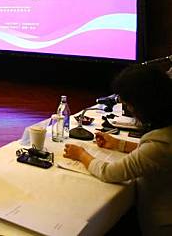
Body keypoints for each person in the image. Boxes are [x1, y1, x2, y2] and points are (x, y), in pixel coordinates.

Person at [63, 65, 172, 236]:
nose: (130, 110)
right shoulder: (164, 134)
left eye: (129, 106)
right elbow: (152, 155)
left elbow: (110, 172)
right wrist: (119, 144)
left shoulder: (160, 144)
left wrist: (81, 154)